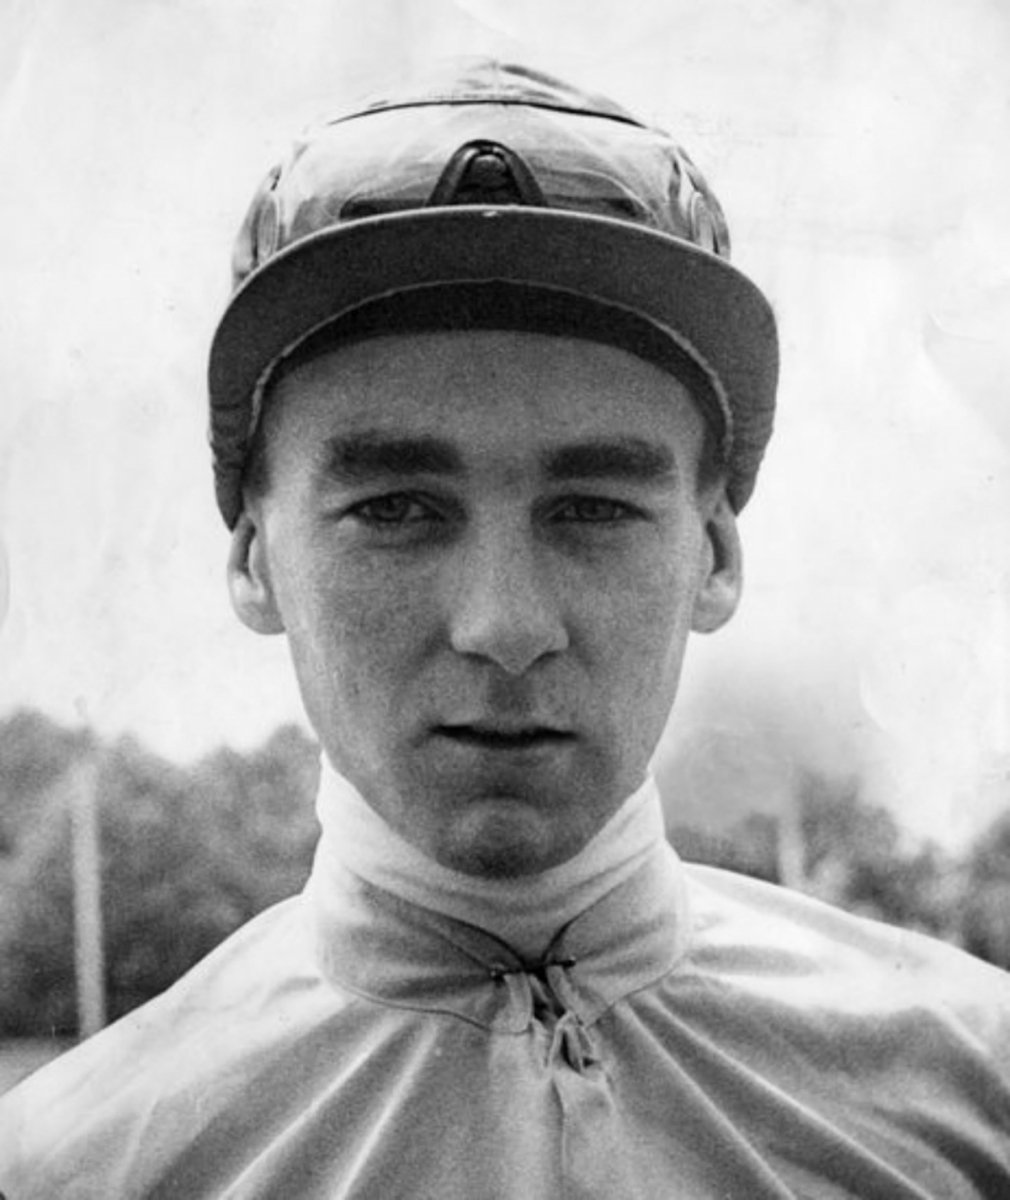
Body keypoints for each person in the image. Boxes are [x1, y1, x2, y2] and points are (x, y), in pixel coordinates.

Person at [1, 58, 1008, 1200]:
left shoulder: (975, 1092)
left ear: (715, 556)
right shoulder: (73, 1168)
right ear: (254, 560)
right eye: (395, 510)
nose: (505, 627)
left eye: (593, 509)